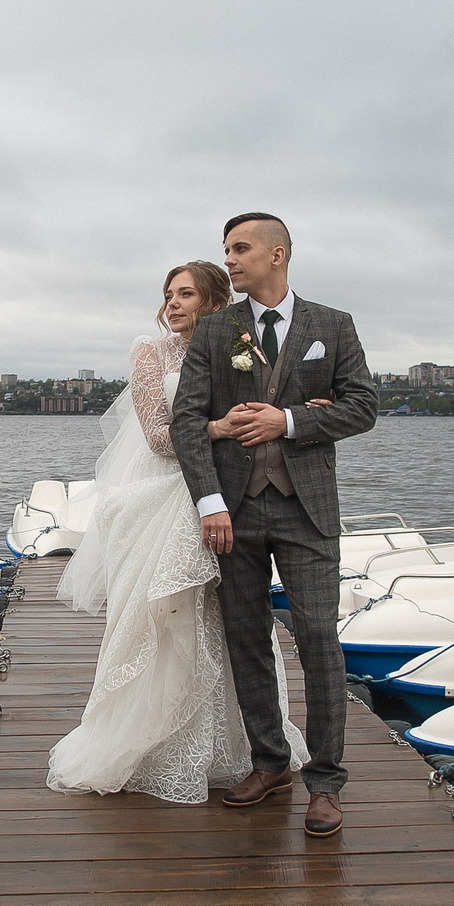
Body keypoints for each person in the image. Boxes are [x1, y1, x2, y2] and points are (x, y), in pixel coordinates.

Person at [47, 260, 311, 802]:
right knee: (157, 619)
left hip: (225, 492)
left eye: (186, 294)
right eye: (168, 294)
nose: (172, 303)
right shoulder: (151, 352)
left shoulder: (238, 346)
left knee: (230, 619)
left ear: (214, 301)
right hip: (161, 493)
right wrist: (216, 427)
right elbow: (157, 435)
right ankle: (151, 743)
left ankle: (240, 745)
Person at [170, 212, 378, 836]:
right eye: (226, 250)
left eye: (240, 249)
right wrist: (210, 503)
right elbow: (186, 422)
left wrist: (289, 422)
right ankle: (269, 762)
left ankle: (327, 783)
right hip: (232, 507)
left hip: (306, 508)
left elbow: (363, 406)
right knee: (246, 637)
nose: (229, 260)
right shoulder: (215, 330)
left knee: (319, 638)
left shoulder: (331, 326)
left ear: (278, 254)